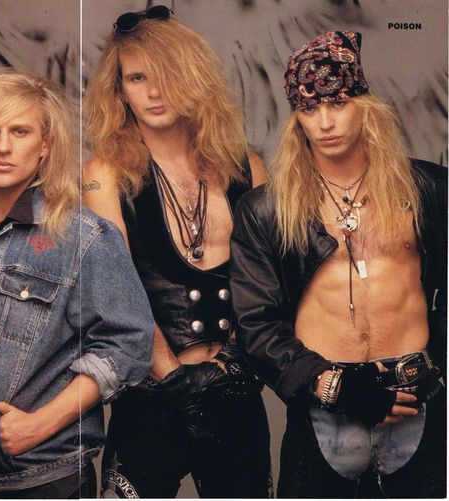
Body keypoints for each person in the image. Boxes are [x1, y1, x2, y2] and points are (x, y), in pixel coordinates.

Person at [0, 69, 153, 498]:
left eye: (20, 131)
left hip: (39, 482)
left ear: (45, 145)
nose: (4, 146)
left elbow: (130, 345)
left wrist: (39, 424)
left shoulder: (84, 237)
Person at [230, 31, 446, 498]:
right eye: (309, 108)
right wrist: (334, 386)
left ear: (364, 105)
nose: (325, 121)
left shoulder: (429, 189)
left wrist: (439, 367)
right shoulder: (266, 210)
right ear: (296, 120)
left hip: (420, 399)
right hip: (323, 402)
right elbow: (256, 325)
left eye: (339, 102)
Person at [83, 6, 271, 498]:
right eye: (137, 77)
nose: (154, 90)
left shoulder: (247, 169)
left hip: (236, 390)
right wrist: (175, 382)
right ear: (119, 89)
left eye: (167, 74)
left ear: (194, 78)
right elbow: (117, 297)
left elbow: (272, 292)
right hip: (152, 398)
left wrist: (230, 371)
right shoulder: (106, 174)